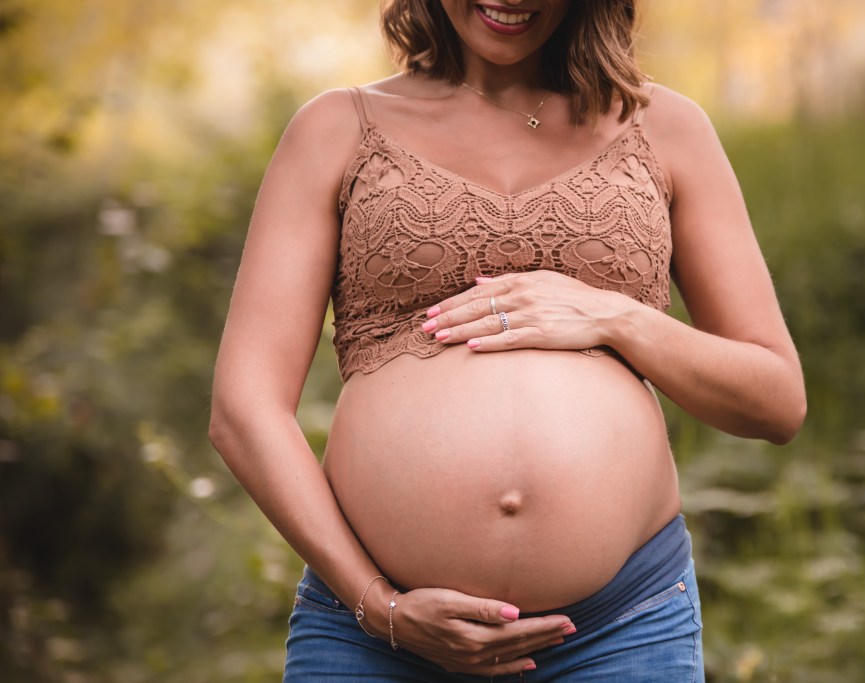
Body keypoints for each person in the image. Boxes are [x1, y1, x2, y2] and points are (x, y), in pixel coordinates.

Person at [209, 0, 805, 680]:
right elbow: (243, 407)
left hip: (619, 629)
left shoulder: (667, 129)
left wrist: (615, 316)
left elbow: (776, 399)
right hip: (373, 636)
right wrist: (381, 605)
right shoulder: (337, 128)